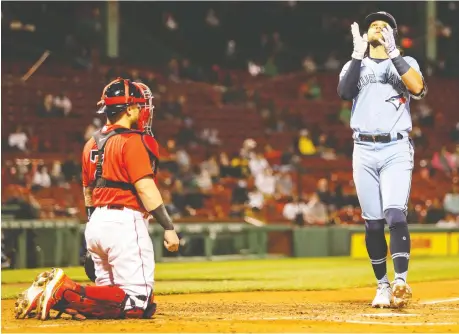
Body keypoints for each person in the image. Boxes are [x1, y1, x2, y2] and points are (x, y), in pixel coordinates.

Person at [14, 78, 180, 320]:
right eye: (139, 105)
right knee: (138, 302)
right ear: (130, 108)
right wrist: (168, 227)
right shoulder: (132, 141)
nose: (143, 110)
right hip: (124, 222)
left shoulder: (90, 143)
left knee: (114, 297)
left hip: (97, 222)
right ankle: (66, 290)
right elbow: (145, 187)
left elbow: (88, 193)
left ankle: (53, 298)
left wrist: (93, 235)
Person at [337, 12, 427, 309]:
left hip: (396, 148)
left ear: (393, 34)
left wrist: (394, 53)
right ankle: (383, 286)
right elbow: (344, 92)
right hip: (363, 148)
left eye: (384, 25)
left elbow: (418, 88)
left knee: (395, 215)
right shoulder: (355, 64)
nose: (377, 27)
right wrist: (356, 55)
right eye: (373, 24)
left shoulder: (406, 61)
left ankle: (401, 281)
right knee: (373, 224)